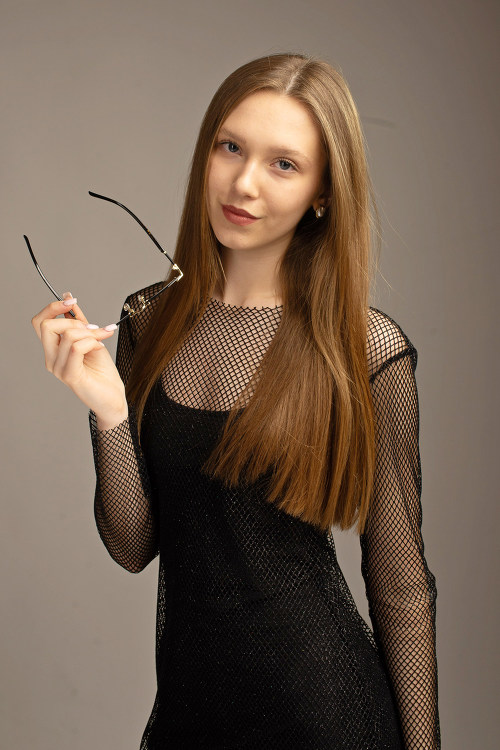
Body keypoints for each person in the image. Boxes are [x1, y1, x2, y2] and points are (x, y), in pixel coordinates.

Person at [31, 53, 440, 749]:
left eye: (283, 164)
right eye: (230, 147)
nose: (244, 182)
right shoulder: (148, 321)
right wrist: (108, 412)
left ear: (322, 193)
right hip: (189, 718)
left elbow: (400, 587)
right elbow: (133, 546)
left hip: (325, 718)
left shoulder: (363, 349)